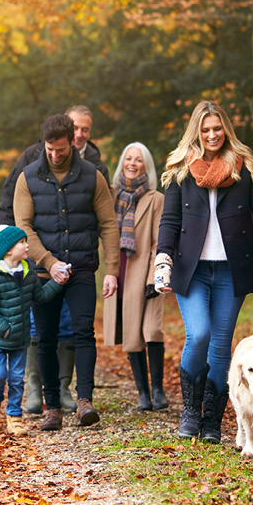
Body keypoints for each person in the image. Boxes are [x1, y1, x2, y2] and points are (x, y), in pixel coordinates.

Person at [154, 100, 253, 443]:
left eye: (217, 129)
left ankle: (211, 421)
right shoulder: (180, 169)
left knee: (221, 347)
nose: (211, 135)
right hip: (192, 271)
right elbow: (170, 220)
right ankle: (191, 410)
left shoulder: (243, 169)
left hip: (231, 271)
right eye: (205, 130)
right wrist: (163, 259)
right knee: (199, 334)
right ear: (196, 132)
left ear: (226, 130)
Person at [0, 105, 107, 417]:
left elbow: (104, 219)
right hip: (40, 266)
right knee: (42, 332)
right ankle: (46, 399)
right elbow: (18, 218)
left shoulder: (94, 169)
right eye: (50, 149)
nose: (56, 155)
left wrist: (109, 267)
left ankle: (76, 395)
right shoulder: (29, 168)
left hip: (81, 264)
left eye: (62, 149)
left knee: (80, 329)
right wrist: (31, 258)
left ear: (73, 141)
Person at [0, 219, 65, 435]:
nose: (27, 246)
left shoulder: (28, 274)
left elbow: (41, 296)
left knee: (17, 379)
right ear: (8, 249)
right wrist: (4, 328)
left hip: (20, 339)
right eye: (22, 242)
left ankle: (14, 416)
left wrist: (58, 282)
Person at [102, 142, 169, 411]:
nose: (132, 163)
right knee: (131, 332)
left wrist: (154, 276)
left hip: (146, 269)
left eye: (138, 160)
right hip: (119, 269)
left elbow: (158, 241)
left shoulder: (156, 199)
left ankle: (158, 390)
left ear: (146, 166)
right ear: (122, 163)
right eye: (128, 158)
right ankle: (143, 393)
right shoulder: (111, 196)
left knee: (151, 330)